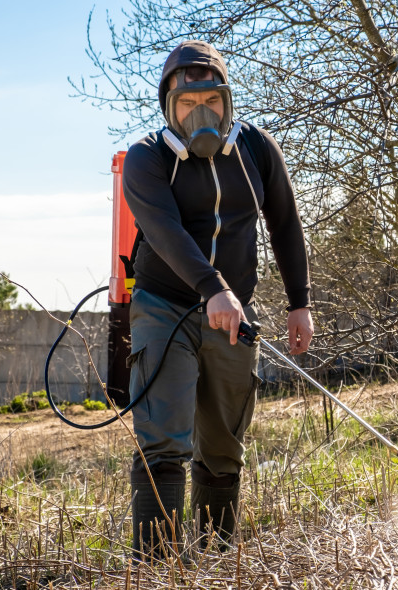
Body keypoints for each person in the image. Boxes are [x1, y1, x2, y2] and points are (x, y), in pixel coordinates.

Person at [121, 40, 313, 559]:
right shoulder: (146, 158)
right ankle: (159, 566)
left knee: (225, 445)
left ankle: (215, 559)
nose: (200, 113)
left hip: (234, 313)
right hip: (164, 306)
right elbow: (163, 231)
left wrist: (300, 301)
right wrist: (213, 289)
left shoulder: (256, 149)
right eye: (186, 105)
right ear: (168, 107)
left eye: (211, 102)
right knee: (164, 438)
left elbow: (285, 221)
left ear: (228, 103)